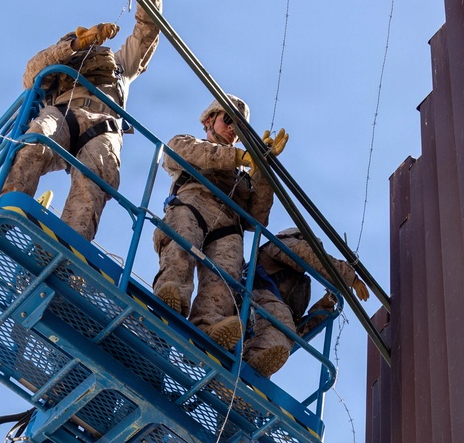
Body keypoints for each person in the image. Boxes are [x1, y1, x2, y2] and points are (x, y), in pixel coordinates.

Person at [0, 0, 162, 242]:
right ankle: (4, 210)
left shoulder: (119, 66)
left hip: (104, 124)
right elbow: (32, 75)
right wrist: (75, 45)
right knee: (36, 141)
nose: (90, 48)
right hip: (64, 113)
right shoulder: (57, 70)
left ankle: (70, 243)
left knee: (96, 175)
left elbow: (147, 33)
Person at [153, 98, 286, 350]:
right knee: (181, 241)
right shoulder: (188, 143)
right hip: (193, 205)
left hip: (228, 226)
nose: (233, 128)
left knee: (226, 275)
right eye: (228, 120)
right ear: (209, 120)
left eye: (240, 127)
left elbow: (257, 218)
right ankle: (171, 297)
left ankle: (208, 325)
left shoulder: (242, 176)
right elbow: (177, 152)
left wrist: (262, 170)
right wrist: (239, 157)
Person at [242, 229, 370, 377]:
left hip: (258, 323)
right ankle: (250, 367)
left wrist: (325, 306)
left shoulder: (295, 288)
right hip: (253, 301)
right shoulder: (280, 244)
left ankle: (252, 371)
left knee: (284, 336)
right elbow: (307, 254)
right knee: (281, 327)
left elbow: (297, 333)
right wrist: (348, 277)